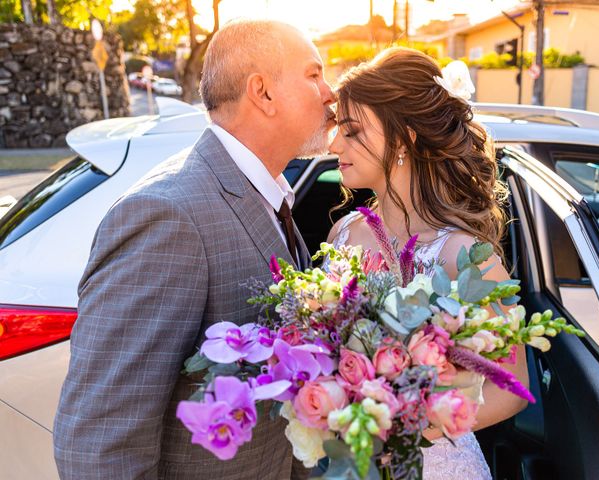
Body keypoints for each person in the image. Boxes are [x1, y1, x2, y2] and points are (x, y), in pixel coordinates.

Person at [53, 19, 336, 479]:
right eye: (313, 74)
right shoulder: (167, 216)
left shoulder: (267, 196)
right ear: (261, 92)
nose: (330, 91)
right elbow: (101, 444)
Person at [327, 47, 529, 479]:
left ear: (403, 138)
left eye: (351, 131)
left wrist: (408, 428)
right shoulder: (342, 234)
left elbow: (511, 389)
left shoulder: (464, 256)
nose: (333, 144)